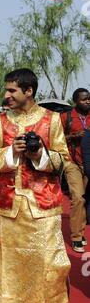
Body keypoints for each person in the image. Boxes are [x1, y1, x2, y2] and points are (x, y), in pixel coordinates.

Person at [0, 68, 71, 303]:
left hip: (44, 205)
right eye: (7, 91)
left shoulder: (52, 119)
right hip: (9, 206)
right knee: (12, 268)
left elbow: (63, 161)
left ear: (28, 91)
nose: (6, 96)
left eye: (12, 91)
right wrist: (12, 152)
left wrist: (38, 154)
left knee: (48, 267)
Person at [60, 88, 90, 252]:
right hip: (72, 161)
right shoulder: (66, 117)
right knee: (77, 197)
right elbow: (56, 138)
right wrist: (73, 136)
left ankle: (80, 229)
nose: (87, 102)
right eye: (84, 99)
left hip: (88, 162)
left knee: (85, 198)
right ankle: (76, 236)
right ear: (76, 101)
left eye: (89, 99)